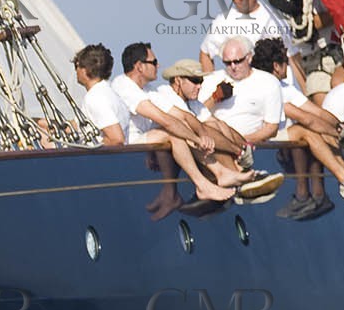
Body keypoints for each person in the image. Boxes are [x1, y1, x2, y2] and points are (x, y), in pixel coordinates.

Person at [251, 38, 344, 215]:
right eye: (285, 63)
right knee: (305, 130)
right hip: (260, 141)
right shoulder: (265, 87)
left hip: (280, 138)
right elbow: (305, 118)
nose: (288, 68)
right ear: (277, 66)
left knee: (316, 129)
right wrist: (336, 133)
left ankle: (343, 182)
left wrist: (339, 127)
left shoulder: (283, 87)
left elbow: (317, 112)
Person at [114, 43, 237, 211]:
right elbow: (165, 121)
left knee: (184, 127)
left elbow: (182, 116)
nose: (158, 65)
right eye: (154, 61)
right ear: (139, 66)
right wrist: (197, 139)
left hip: (145, 144)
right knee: (174, 133)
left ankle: (221, 173)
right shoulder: (124, 86)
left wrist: (200, 134)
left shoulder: (148, 89)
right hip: (125, 148)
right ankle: (203, 185)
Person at [197, 36, 286, 201]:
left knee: (218, 132)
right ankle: (243, 180)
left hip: (250, 146)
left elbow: (271, 128)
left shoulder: (268, 82)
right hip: (218, 144)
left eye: (237, 61)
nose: (233, 67)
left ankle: (240, 181)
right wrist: (214, 98)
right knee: (213, 127)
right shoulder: (211, 80)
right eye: (227, 63)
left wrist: (240, 141)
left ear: (249, 57)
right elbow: (194, 116)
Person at [200, 0, 302, 91]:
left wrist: (306, 91)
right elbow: (205, 53)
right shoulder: (224, 22)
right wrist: (210, 87)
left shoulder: (275, 12)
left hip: (282, 88)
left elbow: (292, 54)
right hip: (245, 92)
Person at [73, 44, 130, 147]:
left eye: (76, 65)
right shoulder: (108, 92)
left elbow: (117, 139)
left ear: (85, 70)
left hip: (99, 160)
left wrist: (89, 146)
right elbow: (78, 125)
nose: (75, 70)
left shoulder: (95, 98)